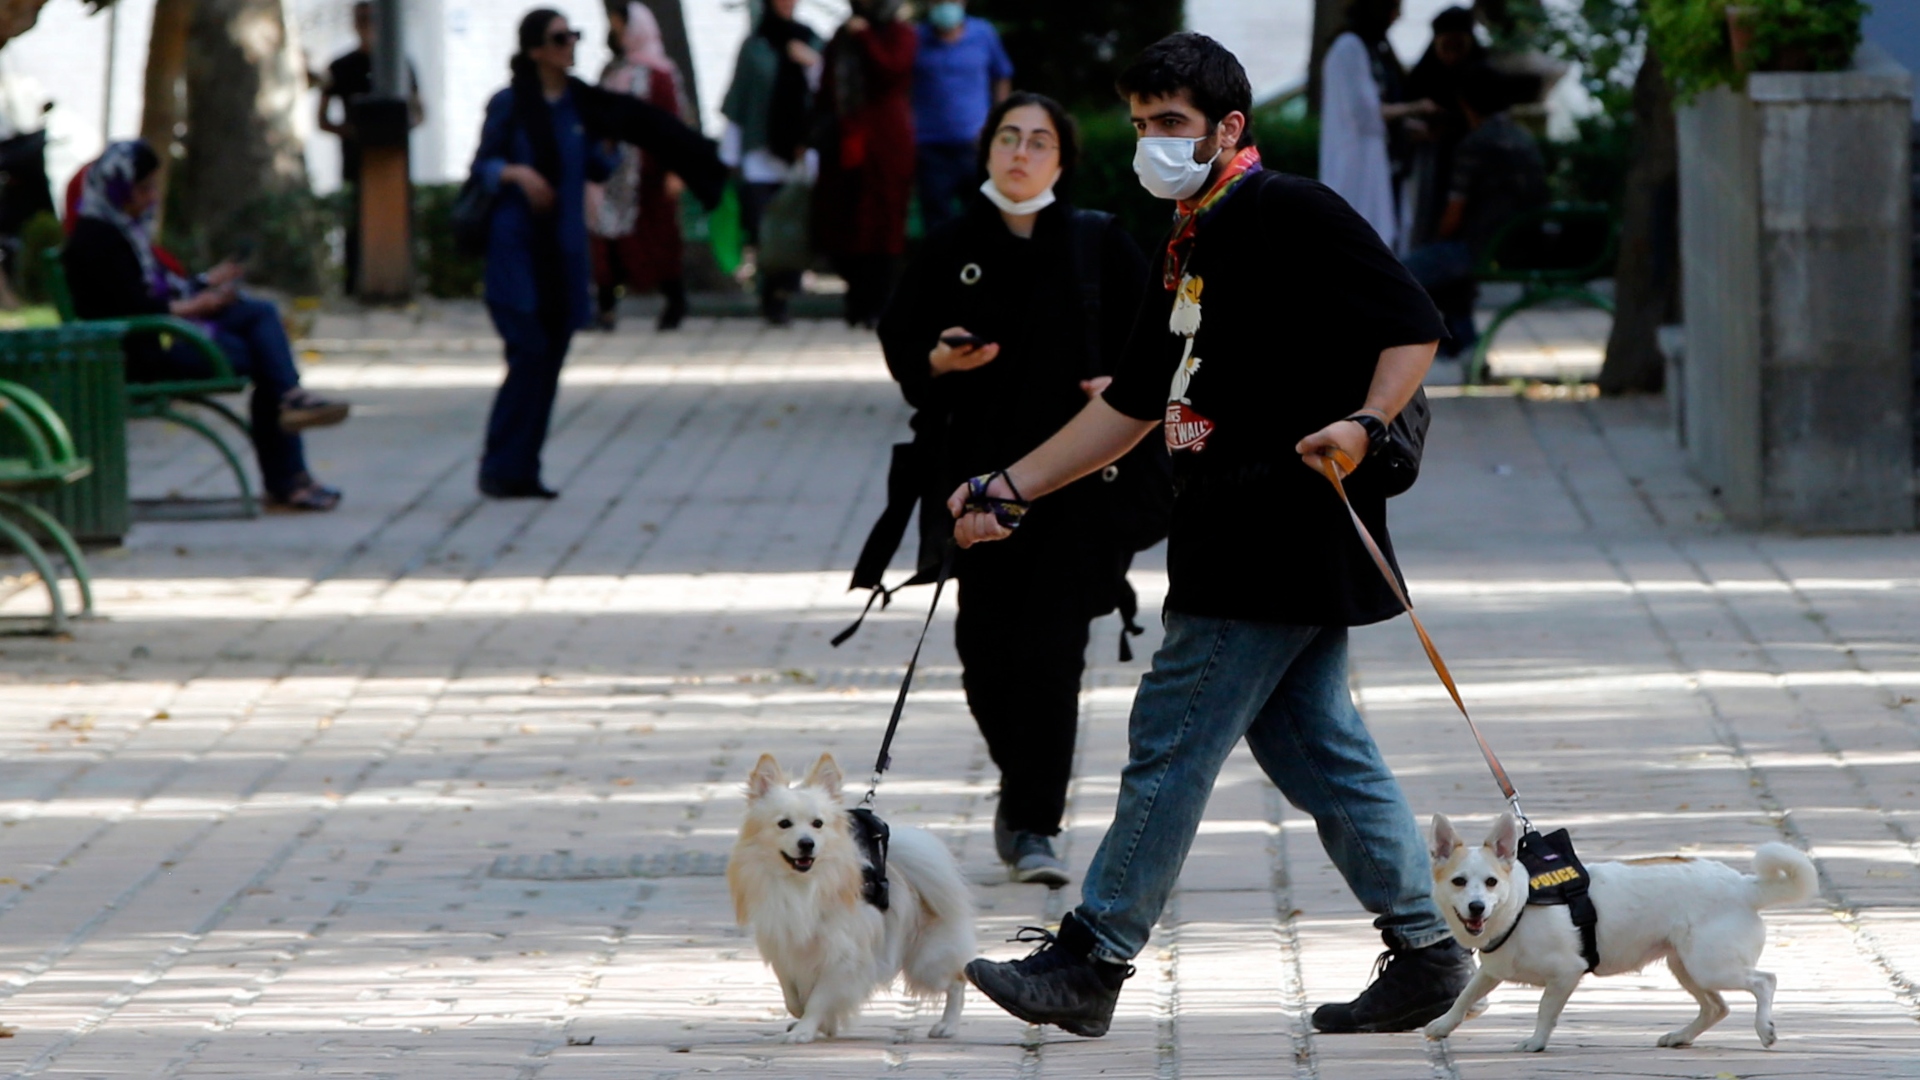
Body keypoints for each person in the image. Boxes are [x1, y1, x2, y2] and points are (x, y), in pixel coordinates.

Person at [954, 32, 1473, 1040]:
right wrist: (1009, 486)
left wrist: (1365, 425)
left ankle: (1094, 954)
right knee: (1319, 749)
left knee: (1171, 739)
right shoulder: (1188, 235)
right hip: (1231, 528)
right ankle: (1426, 947)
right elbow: (1137, 402)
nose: (1153, 143)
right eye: (1143, 125)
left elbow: (1413, 322)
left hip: (1274, 529)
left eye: (1173, 125)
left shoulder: (1290, 210)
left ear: (1229, 128)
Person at [874, 91, 1149, 886]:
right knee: (984, 654)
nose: (1021, 153)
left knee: (1055, 654)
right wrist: (938, 362)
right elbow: (902, 342)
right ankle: (1019, 784)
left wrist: (1120, 387)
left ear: (1062, 159)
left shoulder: (1098, 243)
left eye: (1038, 141)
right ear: (988, 151)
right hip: (976, 491)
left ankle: (1034, 823)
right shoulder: (953, 243)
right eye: (1007, 138)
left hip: (1077, 488)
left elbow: (1158, 345)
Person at [470, 8, 725, 499]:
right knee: (528, 352)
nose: (571, 46)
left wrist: (610, 147)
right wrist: (517, 175)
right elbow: (483, 166)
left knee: (551, 356)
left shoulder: (578, 105)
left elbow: (596, 167)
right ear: (535, 50)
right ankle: (500, 465)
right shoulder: (510, 104)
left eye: (574, 36)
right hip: (518, 250)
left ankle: (524, 468)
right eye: (560, 38)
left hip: (562, 251)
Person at [62, 141, 350, 511]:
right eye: (144, 188)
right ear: (117, 187)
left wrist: (205, 283)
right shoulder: (96, 240)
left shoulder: (123, 230)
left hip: (157, 337)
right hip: (138, 353)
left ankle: (289, 431)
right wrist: (196, 304)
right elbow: (130, 308)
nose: (151, 198)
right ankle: (288, 470)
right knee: (266, 360)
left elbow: (156, 288)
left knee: (259, 315)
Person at [1402, 70, 1548, 354]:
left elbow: (1454, 214)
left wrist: (1434, 239)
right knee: (1447, 272)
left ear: (1466, 105)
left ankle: (1451, 344)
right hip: (1525, 242)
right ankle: (1464, 343)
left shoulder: (1475, 145)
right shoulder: (1523, 138)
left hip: (1488, 246)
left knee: (1402, 273)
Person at [812, 0, 916, 329]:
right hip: (848, 141)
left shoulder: (899, 33)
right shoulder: (842, 37)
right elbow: (826, 87)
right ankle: (856, 300)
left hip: (887, 142)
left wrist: (868, 38)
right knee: (846, 223)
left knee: (884, 224)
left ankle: (880, 302)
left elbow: (892, 69)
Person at [719, 0, 823, 326]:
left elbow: (829, 90)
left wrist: (810, 63)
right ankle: (769, 295)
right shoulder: (755, 45)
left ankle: (786, 291)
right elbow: (740, 98)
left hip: (800, 152)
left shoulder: (811, 40)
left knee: (793, 229)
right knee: (762, 227)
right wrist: (729, 155)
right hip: (760, 152)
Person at [589, 2, 691, 332]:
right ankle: (605, 307)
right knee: (607, 242)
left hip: (649, 176)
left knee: (658, 242)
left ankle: (675, 302)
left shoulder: (659, 75)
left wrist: (676, 168)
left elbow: (673, 125)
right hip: (613, 177)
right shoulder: (614, 71)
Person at [318, 0, 423, 296]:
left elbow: (418, 111)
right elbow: (322, 118)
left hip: (394, 160)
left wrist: (393, 130)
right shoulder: (340, 66)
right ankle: (354, 287)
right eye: (361, 17)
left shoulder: (401, 64)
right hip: (354, 158)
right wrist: (354, 132)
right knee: (354, 223)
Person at [1318, 0, 1433, 251]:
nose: (1398, 16)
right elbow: (1366, 113)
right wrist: (1417, 108)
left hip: (1376, 163)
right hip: (1357, 165)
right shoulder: (1350, 48)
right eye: (1394, 8)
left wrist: (1407, 123)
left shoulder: (1369, 48)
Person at [911, 0, 1012, 233]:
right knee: (937, 222)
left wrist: (999, 124)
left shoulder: (983, 33)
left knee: (983, 218)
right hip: (930, 147)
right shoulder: (916, 38)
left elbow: (1002, 75)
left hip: (975, 144)